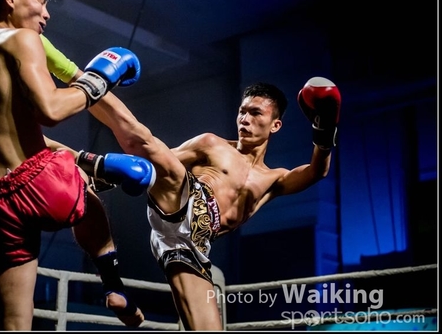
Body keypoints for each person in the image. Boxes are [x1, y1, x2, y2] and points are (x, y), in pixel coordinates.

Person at [0, 0, 154, 330]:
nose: (46, 14)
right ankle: (114, 285)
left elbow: (21, 139)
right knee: (90, 202)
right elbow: (51, 109)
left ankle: (92, 167)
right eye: (41, 0)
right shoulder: (22, 39)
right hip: (30, 188)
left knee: (13, 323)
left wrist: (87, 161)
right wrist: (100, 79)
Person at [72, 75, 341, 330]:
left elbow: (317, 172)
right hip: (185, 200)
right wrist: (107, 177)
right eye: (242, 112)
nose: (245, 119)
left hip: (191, 244)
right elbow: (158, 161)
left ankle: (94, 168)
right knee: (145, 142)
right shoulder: (212, 144)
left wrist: (324, 127)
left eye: (255, 113)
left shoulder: (274, 179)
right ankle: (84, 81)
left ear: (275, 125)